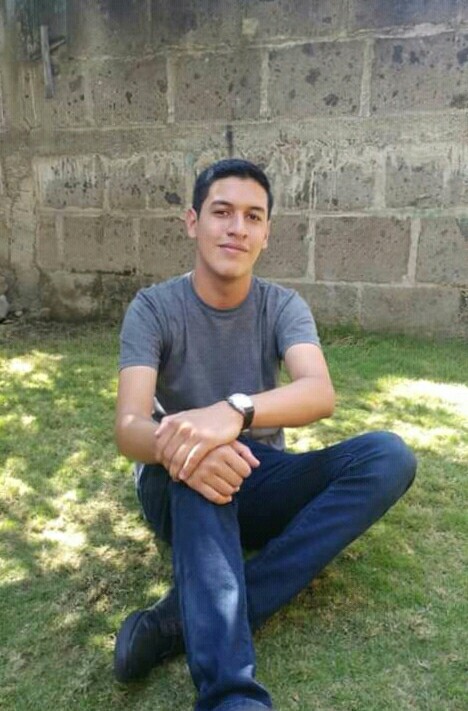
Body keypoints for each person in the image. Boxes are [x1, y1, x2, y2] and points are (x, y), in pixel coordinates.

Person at [113, 158, 417, 711]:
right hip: (173, 479)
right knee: (201, 461)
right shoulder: (153, 308)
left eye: (253, 217)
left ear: (267, 233)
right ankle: (231, 696)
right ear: (192, 222)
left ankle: (182, 618)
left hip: (259, 473)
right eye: (222, 212)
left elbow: (318, 392)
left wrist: (235, 411)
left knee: (387, 456)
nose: (237, 228)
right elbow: (130, 426)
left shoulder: (282, 305)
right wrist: (187, 442)